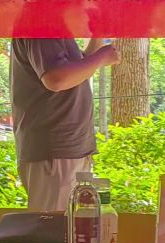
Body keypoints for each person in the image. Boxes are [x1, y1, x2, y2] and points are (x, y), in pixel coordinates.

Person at [10, 37, 120, 211]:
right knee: (52, 223)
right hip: (55, 150)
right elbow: (56, 79)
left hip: (68, 149)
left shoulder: (57, 30)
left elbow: (77, 69)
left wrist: (97, 36)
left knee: (73, 222)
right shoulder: (43, 27)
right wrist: (100, 58)